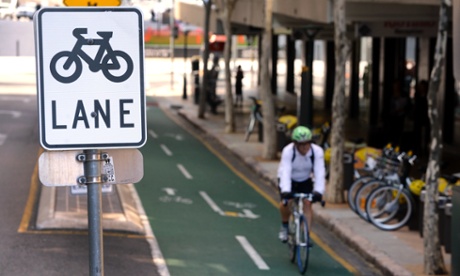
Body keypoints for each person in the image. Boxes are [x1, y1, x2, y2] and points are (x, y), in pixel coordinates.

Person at [277, 126, 326, 243]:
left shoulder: (317, 152)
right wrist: (286, 191)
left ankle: (306, 235)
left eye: (307, 144)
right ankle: (284, 226)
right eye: (301, 144)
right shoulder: (288, 151)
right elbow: (286, 172)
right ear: (295, 144)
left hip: (305, 179)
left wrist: (319, 192)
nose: (305, 147)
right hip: (289, 179)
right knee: (286, 203)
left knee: (307, 203)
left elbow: (320, 172)